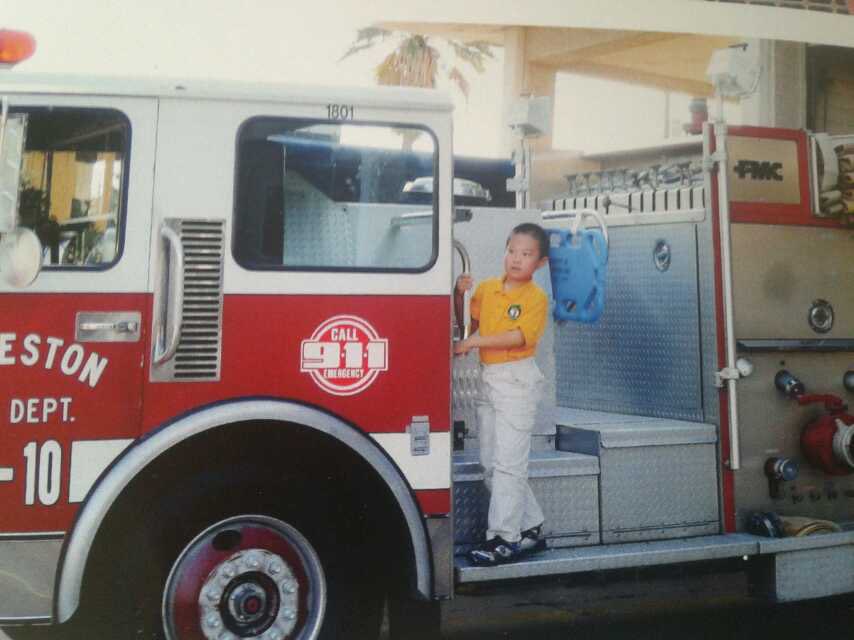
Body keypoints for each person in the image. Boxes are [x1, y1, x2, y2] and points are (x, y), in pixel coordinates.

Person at [454, 222, 550, 565]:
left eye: (526, 255)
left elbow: (517, 337)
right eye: (512, 251)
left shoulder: (536, 298)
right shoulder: (489, 289)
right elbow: (467, 326)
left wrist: (474, 342)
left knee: (509, 465)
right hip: (489, 378)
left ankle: (503, 539)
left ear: (539, 263)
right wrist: (460, 295)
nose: (516, 259)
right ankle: (531, 527)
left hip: (517, 380)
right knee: (492, 464)